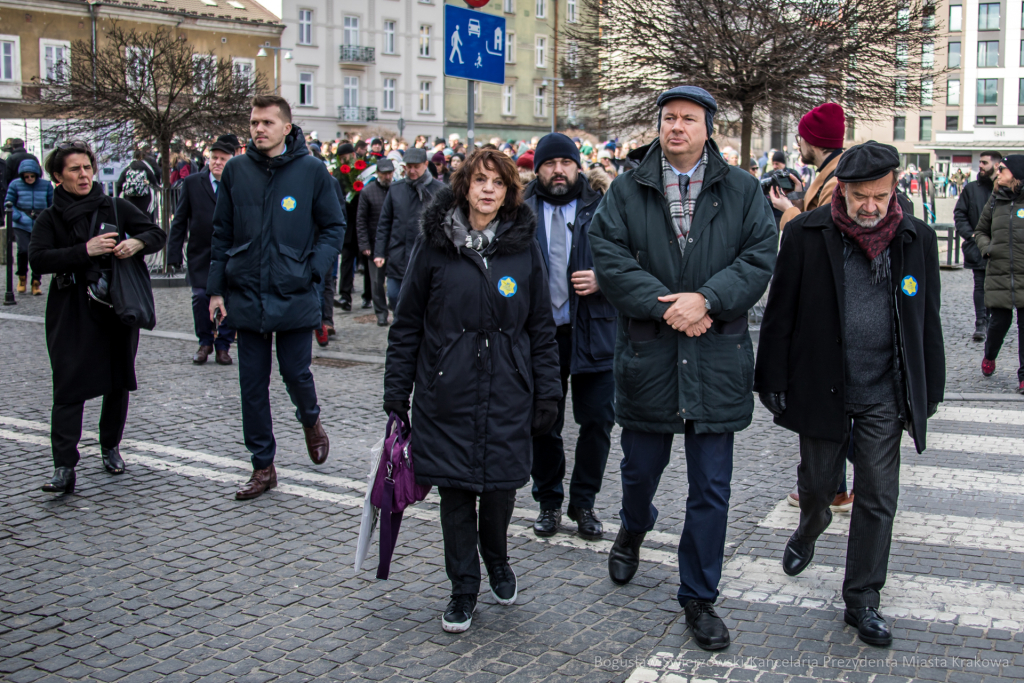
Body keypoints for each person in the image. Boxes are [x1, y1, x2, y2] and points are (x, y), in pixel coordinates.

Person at [588, 86, 777, 651]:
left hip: (716, 358)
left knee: (711, 489)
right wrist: (671, 306)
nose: (677, 126)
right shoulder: (627, 189)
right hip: (650, 356)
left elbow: (759, 256)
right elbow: (608, 256)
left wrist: (708, 300)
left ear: (707, 127)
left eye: (688, 119)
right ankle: (633, 526)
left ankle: (699, 595)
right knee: (639, 471)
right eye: (669, 117)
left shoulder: (741, 188)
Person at [755, 141, 945, 647]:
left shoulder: (916, 237)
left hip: (885, 389)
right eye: (861, 196)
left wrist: (930, 386)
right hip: (823, 383)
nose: (871, 206)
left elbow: (926, 318)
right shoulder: (805, 233)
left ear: (894, 188)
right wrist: (771, 378)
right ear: (842, 189)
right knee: (819, 485)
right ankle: (810, 524)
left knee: (878, 496)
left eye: (880, 195)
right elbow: (780, 311)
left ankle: (862, 598)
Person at [383, 149, 561, 633]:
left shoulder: (523, 247)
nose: (488, 189)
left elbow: (541, 327)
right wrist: (397, 390)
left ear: (508, 193)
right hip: (448, 391)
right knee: (457, 492)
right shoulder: (435, 244)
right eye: (480, 180)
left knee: (501, 488)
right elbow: (407, 322)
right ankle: (463, 587)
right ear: (464, 186)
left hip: (508, 390)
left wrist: (548, 392)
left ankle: (497, 559)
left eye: (498, 183)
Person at [206, 95, 345, 500]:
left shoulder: (312, 170)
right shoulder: (236, 170)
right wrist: (216, 289)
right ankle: (263, 466)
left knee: (295, 373)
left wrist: (312, 269)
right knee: (252, 385)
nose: (259, 129)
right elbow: (221, 232)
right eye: (254, 123)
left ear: (286, 127)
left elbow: (334, 227)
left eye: (267, 122)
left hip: (294, 290)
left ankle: (310, 420)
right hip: (247, 291)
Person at [29, 140, 166, 493]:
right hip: (71, 309)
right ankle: (64, 467)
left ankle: (110, 447)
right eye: (74, 169)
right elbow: (38, 259)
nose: (84, 175)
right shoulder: (50, 217)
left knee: (117, 380)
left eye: (87, 167)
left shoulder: (115, 207)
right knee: (68, 384)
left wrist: (136, 243)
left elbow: (156, 233)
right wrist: (83, 250)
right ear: (58, 176)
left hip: (114, 307)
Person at [524, 133, 616, 542]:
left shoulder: (604, 205)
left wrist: (604, 278)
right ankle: (548, 501)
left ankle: (584, 502)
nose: (558, 170)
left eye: (566, 162)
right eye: (550, 163)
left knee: (597, 421)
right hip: (540, 337)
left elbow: (635, 258)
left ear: (578, 166)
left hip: (595, 330)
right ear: (537, 169)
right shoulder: (519, 210)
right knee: (543, 422)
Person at [167, 135, 238, 365]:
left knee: (229, 299)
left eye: (222, 159)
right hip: (200, 253)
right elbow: (180, 220)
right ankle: (205, 341)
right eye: (214, 158)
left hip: (229, 253)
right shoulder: (192, 183)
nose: (217, 162)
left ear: (231, 160)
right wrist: (173, 254)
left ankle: (223, 345)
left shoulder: (238, 183)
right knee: (200, 297)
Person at [373, 147, 445, 308]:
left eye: (416, 167)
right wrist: (379, 252)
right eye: (409, 167)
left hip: (427, 257)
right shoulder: (396, 189)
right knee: (394, 296)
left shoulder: (439, 190)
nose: (412, 171)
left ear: (425, 164)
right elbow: (384, 223)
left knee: (422, 301)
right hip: (398, 255)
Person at [976, 155, 1024, 391]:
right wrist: (988, 249)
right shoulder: (995, 200)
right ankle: (990, 354)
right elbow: (980, 231)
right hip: (999, 273)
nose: (998, 172)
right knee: (998, 324)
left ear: (1017, 174)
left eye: (1003, 169)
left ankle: (1023, 377)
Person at [770, 103, 846, 230]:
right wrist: (799, 202)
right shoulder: (834, 173)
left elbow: (817, 235)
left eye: (801, 138)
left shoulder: (834, 185)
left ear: (813, 141)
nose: (798, 144)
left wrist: (788, 209)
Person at [954, 151, 1001, 341]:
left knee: (998, 286)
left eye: (984, 162)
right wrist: (971, 235)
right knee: (980, 285)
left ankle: (994, 321)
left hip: (1000, 248)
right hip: (978, 247)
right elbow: (960, 214)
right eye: (979, 162)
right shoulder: (971, 189)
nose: (980, 165)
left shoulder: (1005, 188)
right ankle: (981, 322)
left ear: (996, 165)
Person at [355, 157, 394, 326]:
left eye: (389, 173)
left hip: (394, 243)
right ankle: (381, 313)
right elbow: (361, 220)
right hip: (374, 243)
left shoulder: (397, 189)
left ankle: (396, 309)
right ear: (378, 173)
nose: (387, 176)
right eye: (384, 173)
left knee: (396, 279)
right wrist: (364, 244)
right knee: (377, 282)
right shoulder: (368, 192)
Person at [5, 158, 52, 295]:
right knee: (23, 250)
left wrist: (46, 220)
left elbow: (52, 204)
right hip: (21, 223)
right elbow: (8, 203)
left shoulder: (46, 185)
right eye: (26, 176)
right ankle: (22, 277)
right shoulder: (15, 185)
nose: (29, 178)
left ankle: (36, 281)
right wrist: (18, 217)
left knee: (39, 253)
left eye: (32, 176)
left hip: (40, 224)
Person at [116, 150, 160, 219]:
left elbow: (119, 184)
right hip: (144, 199)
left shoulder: (128, 168)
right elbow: (154, 182)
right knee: (144, 218)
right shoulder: (146, 168)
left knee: (131, 218)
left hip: (129, 199)